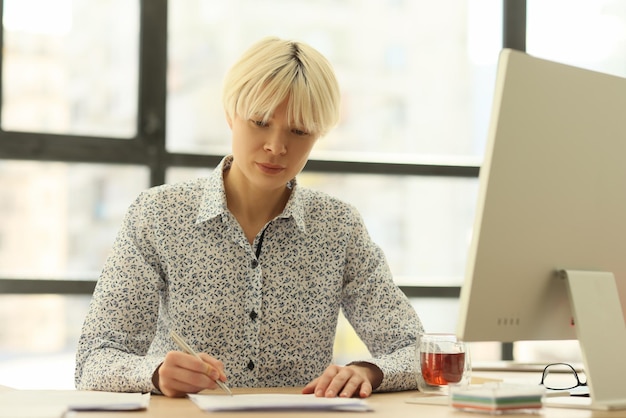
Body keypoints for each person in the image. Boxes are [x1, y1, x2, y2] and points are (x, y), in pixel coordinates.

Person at [75, 36, 424, 399]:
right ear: (230, 114)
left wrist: (367, 370)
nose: (276, 146)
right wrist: (156, 373)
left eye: (299, 131)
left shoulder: (339, 227)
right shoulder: (157, 216)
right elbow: (94, 360)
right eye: (260, 122)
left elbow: (418, 352)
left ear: (318, 134)